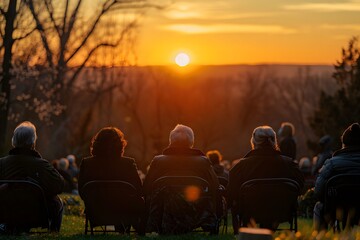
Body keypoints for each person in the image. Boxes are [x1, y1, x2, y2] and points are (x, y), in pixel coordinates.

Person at [143, 124, 219, 234]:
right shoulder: (203, 162)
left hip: (165, 213)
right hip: (195, 212)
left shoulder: (158, 161)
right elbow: (215, 187)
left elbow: (147, 187)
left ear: (171, 142)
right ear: (191, 143)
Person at [228, 125, 304, 233]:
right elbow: (299, 185)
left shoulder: (241, 166)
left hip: (250, 211)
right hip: (281, 211)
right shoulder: (289, 164)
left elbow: (232, 192)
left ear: (253, 142)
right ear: (274, 141)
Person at [0, 121, 64, 233]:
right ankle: (53, 233)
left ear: (14, 141)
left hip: (6, 214)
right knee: (58, 202)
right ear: (33, 142)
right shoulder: (41, 165)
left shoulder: (2, 163)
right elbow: (59, 185)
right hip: (37, 215)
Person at [78, 127, 144, 234]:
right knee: (140, 202)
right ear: (120, 144)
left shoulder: (87, 163)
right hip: (124, 211)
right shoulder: (128, 164)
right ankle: (138, 229)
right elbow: (139, 190)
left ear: (96, 143)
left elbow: (82, 191)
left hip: (97, 211)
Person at [313, 123, 360, 231]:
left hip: (336, 211)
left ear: (343, 142)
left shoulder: (332, 164)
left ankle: (321, 237)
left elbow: (318, 192)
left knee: (319, 207)